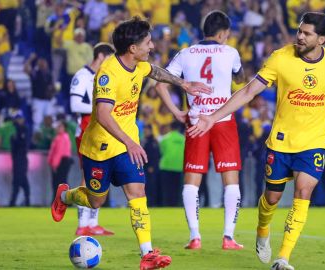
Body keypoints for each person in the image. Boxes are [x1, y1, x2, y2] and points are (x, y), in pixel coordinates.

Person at [189, 12, 325, 270]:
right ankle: (262, 228)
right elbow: (249, 90)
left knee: (304, 192)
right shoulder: (281, 58)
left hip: (314, 141)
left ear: (322, 39)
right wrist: (213, 117)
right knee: (271, 198)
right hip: (281, 142)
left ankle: (283, 258)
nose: (300, 36)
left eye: (307, 33)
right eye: (300, 31)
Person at [51, 17, 211, 270]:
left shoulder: (140, 65)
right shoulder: (108, 73)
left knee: (137, 194)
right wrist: (130, 142)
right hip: (100, 148)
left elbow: (155, 71)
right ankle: (64, 195)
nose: (152, 47)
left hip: (126, 147)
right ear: (132, 48)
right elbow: (103, 115)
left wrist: (183, 84)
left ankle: (147, 253)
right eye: (147, 43)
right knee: (96, 201)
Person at [155, 10, 246, 250]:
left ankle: (195, 237)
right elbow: (240, 79)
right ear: (223, 32)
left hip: (195, 121)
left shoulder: (186, 53)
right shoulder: (230, 52)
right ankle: (228, 237)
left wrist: (177, 112)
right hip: (223, 119)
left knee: (191, 182)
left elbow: (159, 83)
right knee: (231, 180)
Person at [69, 42, 115, 236]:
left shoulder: (105, 77)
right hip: (86, 129)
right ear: (101, 57)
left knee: (102, 174)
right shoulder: (82, 76)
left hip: (104, 130)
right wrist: (101, 110)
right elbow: (75, 104)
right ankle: (82, 224)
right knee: (87, 176)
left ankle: (93, 223)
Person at [9, 113, 30, 207]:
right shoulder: (17, 129)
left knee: (18, 182)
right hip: (18, 159)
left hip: (21, 158)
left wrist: (14, 140)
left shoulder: (24, 130)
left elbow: (23, 144)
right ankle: (26, 201)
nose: (19, 121)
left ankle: (13, 202)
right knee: (22, 181)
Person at [47, 120, 72, 194]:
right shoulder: (61, 137)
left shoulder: (62, 137)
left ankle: (63, 199)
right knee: (61, 181)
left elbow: (58, 152)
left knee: (59, 182)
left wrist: (54, 164)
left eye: (60, 127)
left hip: (61, 162)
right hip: (62, 161)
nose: (58, 128)